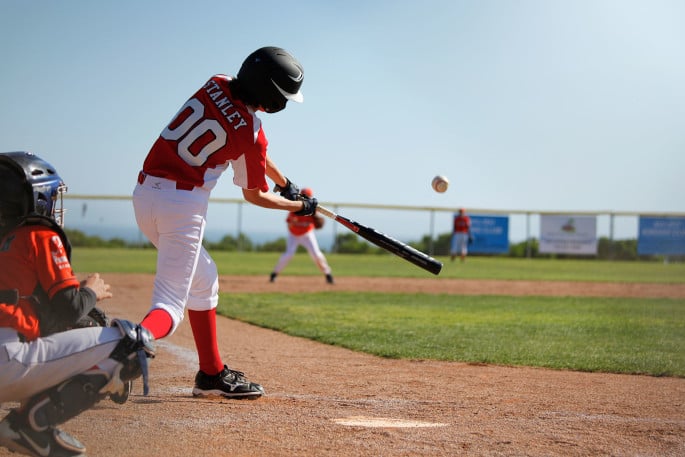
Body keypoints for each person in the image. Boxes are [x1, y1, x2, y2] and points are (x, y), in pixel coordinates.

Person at [132, 46, 317, 399]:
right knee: (170, 306)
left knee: (204, 279)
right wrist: (296, 205)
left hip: (145, 196)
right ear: (270, 97)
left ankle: (211, 373)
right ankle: (118, 349)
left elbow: (253, 152)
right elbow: (255, 194)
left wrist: (285, 181)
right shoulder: (252, 133)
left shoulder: (215, 82)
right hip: (181, 207)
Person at [0, 151, 155, 457]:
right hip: (7, 362)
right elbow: (69, 308)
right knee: (133, 343)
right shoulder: (38, 234)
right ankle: (30, 425)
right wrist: (92, 292)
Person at [270, 188, 334, 284]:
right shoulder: (294, 208)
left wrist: (316, 218)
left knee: (316, 255)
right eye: (303, 196)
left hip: (307, 235)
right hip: (293, 235)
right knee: (288, 255)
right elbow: (288, 223)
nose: (305, 198)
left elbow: (319, 226)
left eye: (307, 196)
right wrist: (295, 229)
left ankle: (328, 274)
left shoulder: (312, 211)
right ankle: (274, 274)